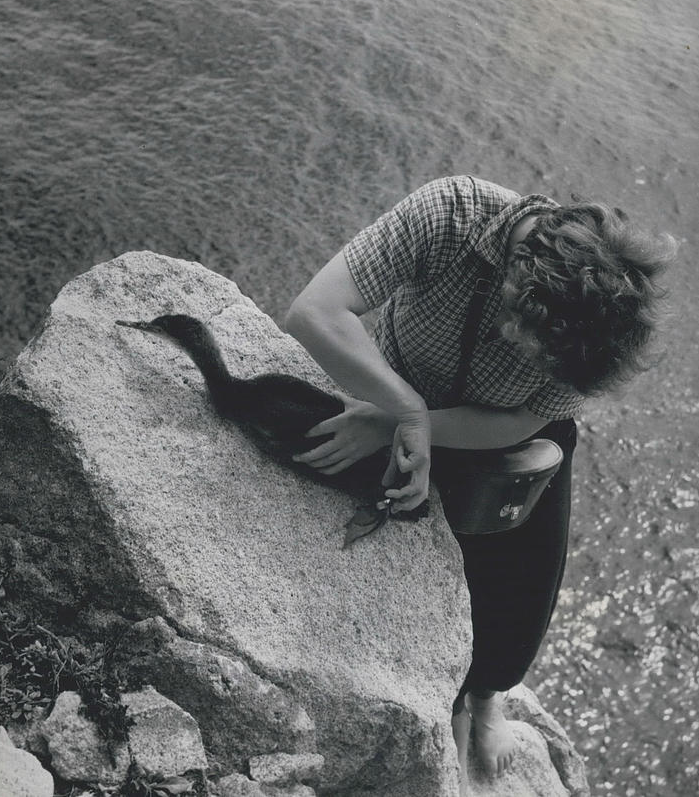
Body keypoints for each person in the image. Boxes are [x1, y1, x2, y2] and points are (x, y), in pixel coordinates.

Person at [284, 174, 675, 788]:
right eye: (532, 343)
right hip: (394, 392)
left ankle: (486, 697)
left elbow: (521, 417)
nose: (532, 362)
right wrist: (401, 414)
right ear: (522, 282)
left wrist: (403, 425)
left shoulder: (585, 340)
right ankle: (446, 697)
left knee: (521, 598)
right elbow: (315, 311)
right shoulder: (451, 215)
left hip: (505, 436)